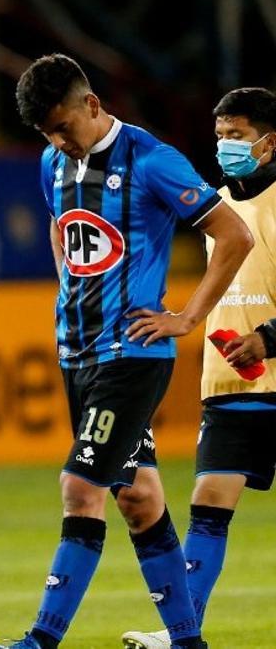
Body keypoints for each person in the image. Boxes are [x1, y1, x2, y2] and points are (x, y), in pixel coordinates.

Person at [0, 54, 254, 649]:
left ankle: (40, 640)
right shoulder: (54, 161)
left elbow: (235, 235)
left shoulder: (151, 160)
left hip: (131, 356)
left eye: (64, 128)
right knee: (138, 496)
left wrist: (187, 316)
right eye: (47, 134)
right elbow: (63, 229)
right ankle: (188, 641)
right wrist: (70, 293)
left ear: (92, 105)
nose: (59, 142)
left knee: (81, 488)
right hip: (75, 353)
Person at [120, 89, 276, 648]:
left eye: (236, 136)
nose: (224, 147)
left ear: (268, 141)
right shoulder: (216, 208)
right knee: (208, 504)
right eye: (219, 137)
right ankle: (181, 632)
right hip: (231, 384)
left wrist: (269, 338)